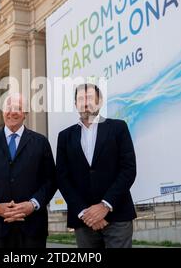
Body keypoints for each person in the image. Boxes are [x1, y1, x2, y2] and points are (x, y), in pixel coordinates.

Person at [56, 83, 137, 248]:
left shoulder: (118, 128)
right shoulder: (64, 136)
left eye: (90, 98)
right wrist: (84, 213)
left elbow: (128, 170)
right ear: (75, 104)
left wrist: (105, 205)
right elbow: (62, 178)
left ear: (100, 102)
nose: (85, 103)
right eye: (80, 99)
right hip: (83, 219)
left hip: (117, 215)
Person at [0, 93, 56, 248]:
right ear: (2, 112)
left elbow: (51, 180)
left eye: (18, 108)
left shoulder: (41, 142)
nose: (12, 112)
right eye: (8, 108)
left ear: (25, 114)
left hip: (33, 227)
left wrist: (33, 204)